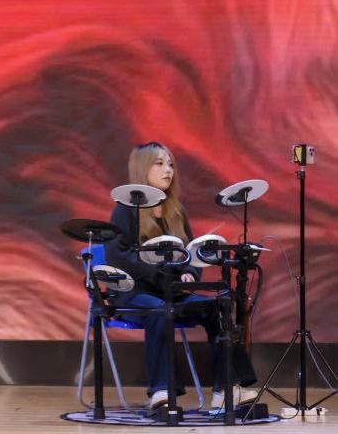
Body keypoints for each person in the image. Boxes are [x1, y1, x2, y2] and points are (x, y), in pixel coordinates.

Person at [104, 141, 257, 410]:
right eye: (159, 163)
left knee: (218, 307)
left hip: (171, 291)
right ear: (142, 168)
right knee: (159, 309)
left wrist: (188, 273)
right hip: (134, 293)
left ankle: (226, 388)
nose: (168, 170)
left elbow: (190, 252)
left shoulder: (176, 210)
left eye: (171, 164)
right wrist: (158, 277)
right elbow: (118, 256)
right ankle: (160, 391)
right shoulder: (125, 209)